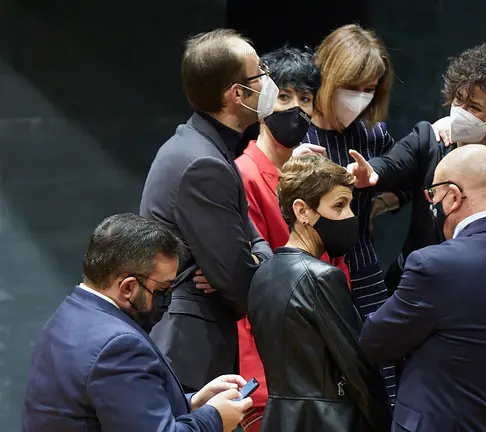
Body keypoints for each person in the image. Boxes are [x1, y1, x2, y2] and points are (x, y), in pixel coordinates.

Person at [359, 145, 486, 432]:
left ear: (453, 196)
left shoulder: (433, 264)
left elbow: (375, 342)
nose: (434, 206)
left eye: (435, 196)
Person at [22, 213, 254, 432]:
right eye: (163, 289)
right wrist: (214, 418)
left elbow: (122, 407)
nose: (168, 299)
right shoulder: (118, 347)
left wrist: (193, 403)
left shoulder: (69, 314)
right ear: (128, 287)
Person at [139, 29, 276, 393]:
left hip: (196, 343)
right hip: (191, 353)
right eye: (260, 73)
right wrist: (249, 264)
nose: (268, 81)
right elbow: (242, 284)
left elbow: (255, 246)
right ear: (237, 94)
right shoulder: (203, 162)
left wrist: (254, 258)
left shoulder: (205, 148)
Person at [347, 42, 486, 294]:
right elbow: (390, 164)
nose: (460, 112)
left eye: (474, 107)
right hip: (416, 284)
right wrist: (371, 173)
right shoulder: (430, 139)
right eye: (458, 100)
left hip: (482, 290)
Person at [232, 46, 352, 431]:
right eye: (284, 96)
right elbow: (257, 282)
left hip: (322, 352)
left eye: (305, 99)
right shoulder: (245, 175)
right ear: (264, 100)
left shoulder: (314, 172)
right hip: (275, 369)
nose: (295, 108)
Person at [248, 154, 391, 432]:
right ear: (302, 211)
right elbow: (358, 368)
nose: (350, 216)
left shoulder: (262, 275)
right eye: (339, 205)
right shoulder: (323, 276)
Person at [303, 23, 408, 400]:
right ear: (328, 77)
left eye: (369, 90)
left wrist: (374, 198)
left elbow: (406, 188)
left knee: (380, 382)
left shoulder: (374, 135)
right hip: (311, 271)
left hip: (363, 269)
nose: (361, 99)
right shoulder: (298, 138)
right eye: (352, 88)